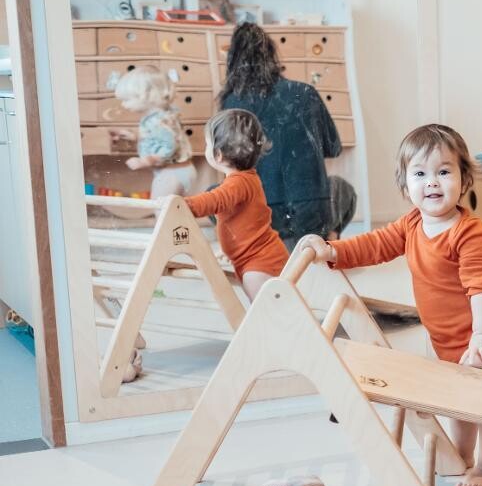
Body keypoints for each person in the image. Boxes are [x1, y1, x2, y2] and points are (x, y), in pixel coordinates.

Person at [300, 124, 482, 486]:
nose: (432, 182)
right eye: (420, 174)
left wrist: (481, 333)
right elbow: (374, 245)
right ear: (405, 185)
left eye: (444, 172)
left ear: (464, 179)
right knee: (458, 404)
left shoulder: (470, 233)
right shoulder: (412, 224)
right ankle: (461, 458)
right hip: (449, 341)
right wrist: (332, 250)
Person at [219, 22, 343, 250]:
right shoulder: (306, 92)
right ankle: (327, 236)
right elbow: (333, 148)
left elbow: (229, 164)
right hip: (311, 213)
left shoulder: (232, 103)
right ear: (271, 56)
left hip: (262, 215)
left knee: (214, 194)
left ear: (233, 62)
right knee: (344, 190)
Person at [176, 109, 289, 301]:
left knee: (264, 309)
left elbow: (214, 200)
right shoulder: (244, 180)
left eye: (207, 144)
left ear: (218, 155)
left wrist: (180, 204)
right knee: (266, 306)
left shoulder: (238, 183)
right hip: (254, 257)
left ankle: (277, 329)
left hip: (260, 261)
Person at [110, 65, 197, 199]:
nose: (123, 105)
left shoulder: (156, 121)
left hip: (171, 174)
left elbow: (169, 147)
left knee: (160, 210)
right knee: (177, 213)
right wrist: (134, 136)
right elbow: (161, 138)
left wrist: (145, 161)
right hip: (183, 170)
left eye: (127, 100)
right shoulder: (164, 115)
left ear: (147, 96)